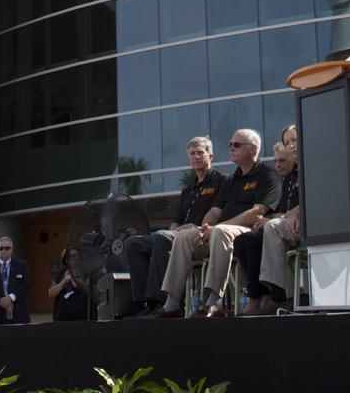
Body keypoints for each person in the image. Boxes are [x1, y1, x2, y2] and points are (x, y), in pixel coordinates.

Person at [156, 128, 280, 319]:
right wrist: (204, 228)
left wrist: (217, 228)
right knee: (184, 236)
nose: (231, 148)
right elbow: (215, 211)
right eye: (230, 144)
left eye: (236, 145)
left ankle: (214, 302)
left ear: (253, 148)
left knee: (221, 230)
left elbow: (258, 212)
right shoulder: (231, 180)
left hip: (247, 232)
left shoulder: (268, 175)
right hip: (220, 233)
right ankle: (172, 303)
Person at [128, 135, 224, 318]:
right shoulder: (188, 190)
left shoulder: (222, 181)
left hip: (201, 236)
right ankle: (144, 304)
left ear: (211, 156)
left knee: (160, 237)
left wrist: (195, 227)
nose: (196, 156)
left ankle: (163, 302)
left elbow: (216, 213)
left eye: (200, 152)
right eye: (192, 154)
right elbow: (176, 222)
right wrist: (178, 229)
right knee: (133, 244)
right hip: (178, 235)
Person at [234, 127, 299, 315]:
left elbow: (307, 203)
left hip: (303, 225)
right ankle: (261, 295)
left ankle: (276, 298)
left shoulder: (306, 169)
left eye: (282, 160)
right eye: (288, 142)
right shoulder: (287, 180)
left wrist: (276, 218)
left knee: (256, 237)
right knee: (242, 240)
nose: (278, 165)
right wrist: (272, 218)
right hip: (284, 225)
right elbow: (282, 212)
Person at [0, 237, 31, 324]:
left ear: (12, 249)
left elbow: (25, 285)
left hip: (17, 313)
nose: (4, 250)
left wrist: (11, 298)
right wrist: (0, 300)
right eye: (1, 248)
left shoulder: (22, 265)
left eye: (7, 248)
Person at [48, 246, 88, 321]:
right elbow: (51, 293)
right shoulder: (60, 274)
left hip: (83, 313)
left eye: (77, 256)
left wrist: (79, 283)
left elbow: (94, 291)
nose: (75, 258)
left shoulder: (86, 273)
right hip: (63, 314)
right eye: (72, 256)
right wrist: (64, 281)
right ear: (66, 260)